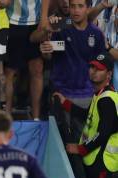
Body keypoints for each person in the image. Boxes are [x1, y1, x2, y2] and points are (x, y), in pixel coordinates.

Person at [57, 52, 118, 178]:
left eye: (98, 69)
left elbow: (105, 131)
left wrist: (81, 149)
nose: (93, 72)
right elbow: (89, 117)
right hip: (96, 161)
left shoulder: (107, 98)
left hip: (104, 164)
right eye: (91, 67)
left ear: (108, 74)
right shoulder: (99, 95)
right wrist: (66, 104)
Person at [34, 0, 105, 138]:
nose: (76, 10)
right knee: (59, 143)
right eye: (73, 6)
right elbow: (49, 54)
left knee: (82, 142)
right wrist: (45, 50)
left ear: (88, 8)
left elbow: (101, 66)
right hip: (61, 95)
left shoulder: (96, 34)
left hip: (87, 98)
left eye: (80, 6)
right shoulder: (60, 28)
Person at [4, 0, 45, 120]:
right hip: (12, 20)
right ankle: (6, 116)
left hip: (36, 21)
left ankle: (36, 117)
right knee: (10, 72)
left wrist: (44, 18)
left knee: (37, 68)